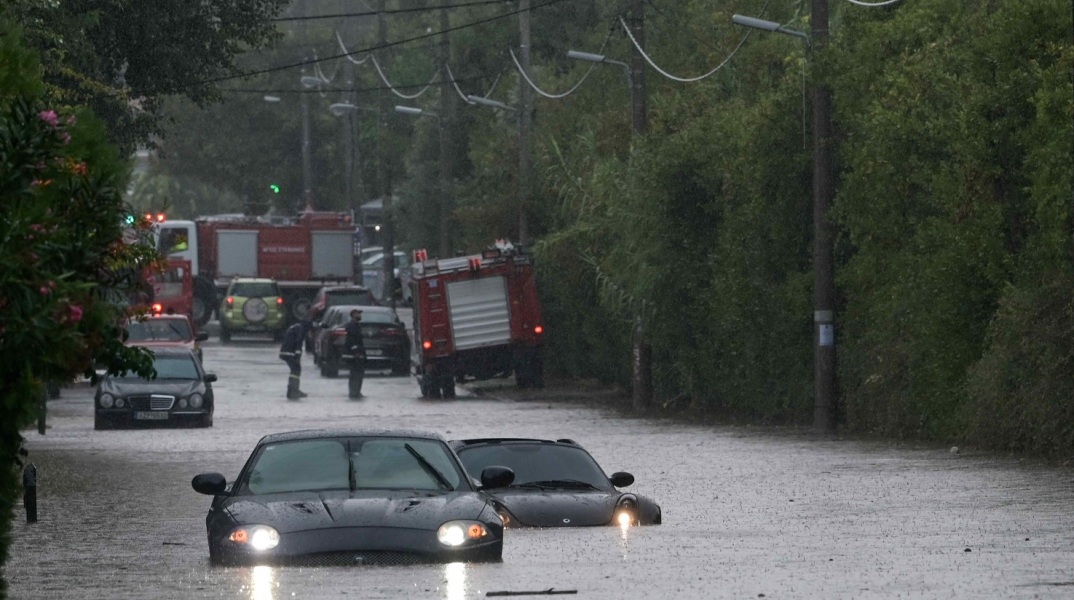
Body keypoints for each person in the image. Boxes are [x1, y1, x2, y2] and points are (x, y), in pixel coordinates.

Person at [279, 320, 312, 399]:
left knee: (295, 370)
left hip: (285, 351)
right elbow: (298, 342)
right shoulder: (300, 329)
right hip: (290, 353)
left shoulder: (295, 327)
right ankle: (293, 391)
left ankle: (292, 390)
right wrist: (298, 354)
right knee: (296, 370)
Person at [343, 309, 367, 399]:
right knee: (356, 373)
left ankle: (356, 392)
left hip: (356, 353)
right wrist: (356, 352)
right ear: (353, 315)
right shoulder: (353, 326)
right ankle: (354, 392)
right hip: (353, 355)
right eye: (358, 314)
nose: (360, 315)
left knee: (358, 373)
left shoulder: (356, 325)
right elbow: (353, 340)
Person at [20, 448, 37, 523]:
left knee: (30, 505)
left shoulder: (27, 469)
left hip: (29, 488)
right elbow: (34, 477)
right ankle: (32, 519)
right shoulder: (31, 467)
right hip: (31, 487)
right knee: (32, 506)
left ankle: (31, 519)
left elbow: (25, 481)